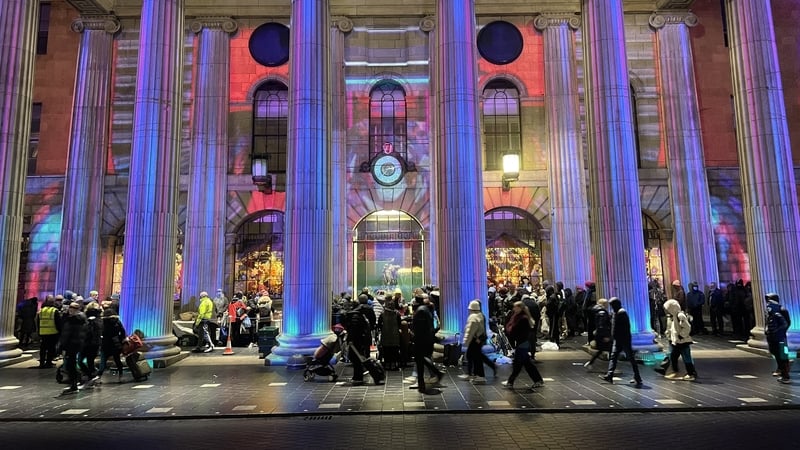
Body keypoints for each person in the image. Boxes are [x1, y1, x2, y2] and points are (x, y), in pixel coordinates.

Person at [502, 301, 545, 390]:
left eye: (515, 307)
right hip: (521, 343)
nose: (514, 309)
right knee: (527, 364)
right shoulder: (518, 317)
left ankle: (510, 382)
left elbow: (518, 331)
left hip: (522, 343)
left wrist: (511, 332)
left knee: (518, 364)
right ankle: (538, 380)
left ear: (520, 308)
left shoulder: (522, 319)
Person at [600, 297, 642, 387]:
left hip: (623, 340)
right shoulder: (617, 313)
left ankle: (637, 377)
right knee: (614, 357)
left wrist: (613, 337)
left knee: (630, 358)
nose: (611, 307)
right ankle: (609, 375)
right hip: (619, 339)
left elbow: (618, 327)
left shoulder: (621, 313)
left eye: (612, 305)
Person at [410, 299, 444, 394]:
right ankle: (422, 383)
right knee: (420, 360)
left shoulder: (420, 311)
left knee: (420, 359)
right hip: (425, 339)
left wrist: (415, 336)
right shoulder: (425, 310)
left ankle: (433, 375)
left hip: (421, 340)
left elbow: (420, 328)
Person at [660, 298, 698, 381]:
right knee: (674, 356)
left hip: (682, 342)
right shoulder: (674, 316)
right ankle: (676, 372)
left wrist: (681, 335)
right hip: (678, 341)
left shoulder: (680, 316)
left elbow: (687, 327)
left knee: (685, 357)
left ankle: (691, 374)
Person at [59, 302, 87, 394]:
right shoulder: (80, 319)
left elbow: (67, 334)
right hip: (75, 344)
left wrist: (62, 346)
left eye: (72, 308)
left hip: (71, 345)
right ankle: (74, 383)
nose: (70, 310)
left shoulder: (73, 320)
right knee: (71, 364)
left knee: (70, 365)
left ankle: (74, 385)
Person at [764, 293, 791, 384]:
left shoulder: (781, 310)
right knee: (775, 352)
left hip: (780, 337)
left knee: (782, 355)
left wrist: (779, 331)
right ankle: (781, 369)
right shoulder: (769, 311)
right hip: (772, 336)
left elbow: (786, 323)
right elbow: (767, 321)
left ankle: (785, 373)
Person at [96, 307, 126, 383]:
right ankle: (120, 376)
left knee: (103, 362)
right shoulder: (117, 322)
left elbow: (100, 332)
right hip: (115, 344)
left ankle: (98, 377)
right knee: (117, 360)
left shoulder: (103, 322)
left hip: (105, 344)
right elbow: (123, 332)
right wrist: (120, 339)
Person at [77, 302, 103, 389]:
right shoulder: (93, 320)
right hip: (90, 343)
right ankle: (91, 376)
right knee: (84, 361)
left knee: (86, 361)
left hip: (90, 343)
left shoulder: (95, 320)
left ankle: (91, 376)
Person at [584, 298, 611, 369]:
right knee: (608, 349)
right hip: (603, 334)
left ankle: (591, 363)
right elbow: (602, 324)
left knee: (601, 349)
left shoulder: (596, 311)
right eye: (606, 304)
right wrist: (605, 335)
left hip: (599, 333)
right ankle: (611, 367)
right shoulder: (602, 312)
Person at [37, 296, 61, 368]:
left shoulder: (41, 311)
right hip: (52, 332)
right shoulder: (54, 311)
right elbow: (58, 322)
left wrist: (39, 331)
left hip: (43, 332)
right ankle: (48, 362)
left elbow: (38, 322)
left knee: (43, 348)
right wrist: (60, 331)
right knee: (51, 348)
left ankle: (41, 363)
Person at [378, 299, 401, 370]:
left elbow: (379, 324)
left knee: (386, 350)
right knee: (394, 350)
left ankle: (387, 364)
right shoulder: (397, 314)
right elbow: (399, 323)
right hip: (395, 334)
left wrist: (382, 329)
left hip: (385, 334)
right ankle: (393, 364)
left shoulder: (382, 313)